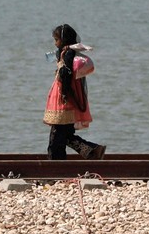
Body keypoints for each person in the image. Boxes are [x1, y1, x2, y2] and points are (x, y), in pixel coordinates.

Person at [43, 24, 105, 160]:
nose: (55, 43)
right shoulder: (66, 52)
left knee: (57, 135)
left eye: (56, 40)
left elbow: (66, 74)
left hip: (63, 99)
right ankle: (93, 150)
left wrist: (64, 93)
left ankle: (55, 165)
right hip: (67, 97)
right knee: (65, 135)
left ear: (64, 40)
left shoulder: (68, 53)